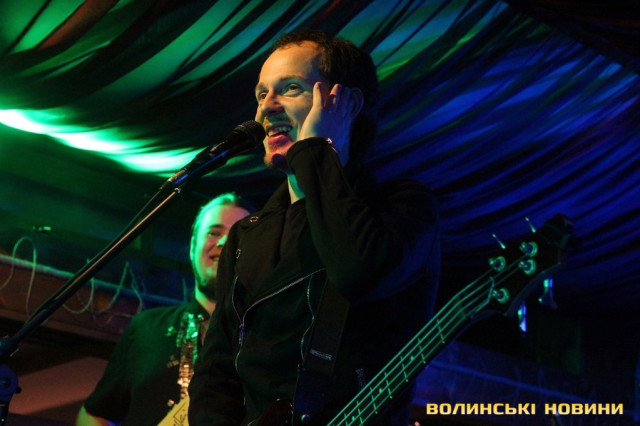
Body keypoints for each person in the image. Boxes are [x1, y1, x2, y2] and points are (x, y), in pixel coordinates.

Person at [188, 29, 440, 426]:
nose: (266, 108)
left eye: (290, 89)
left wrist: (316, 150)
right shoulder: (247, 235)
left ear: (346, 103)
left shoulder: (402, 208)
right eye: (261, 94)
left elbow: (357, 271)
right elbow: (216, 374)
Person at [75, 193, 253, 426]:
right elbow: (93, 414)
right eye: (213, 233)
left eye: (237, 235)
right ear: (192, 247)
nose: (223, 243)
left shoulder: (269, 337)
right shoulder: (146, 329)